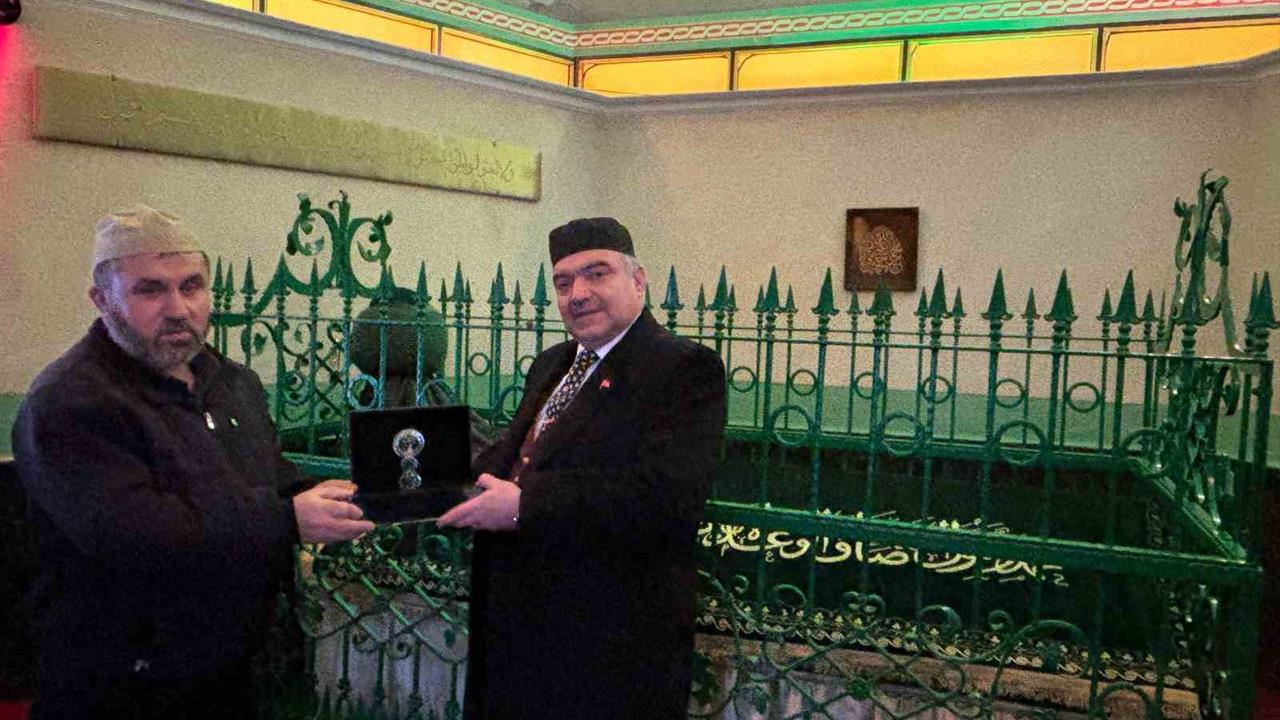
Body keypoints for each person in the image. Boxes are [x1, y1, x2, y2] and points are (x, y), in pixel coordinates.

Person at [11, 206, 375, 720]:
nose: (178, 308)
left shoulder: (231, 383)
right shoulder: (72, 401)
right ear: (102, 300)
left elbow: (265, 478)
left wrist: (342, 495)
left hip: (228, 677)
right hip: (120, 687)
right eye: (150, 290)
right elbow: (139, 534)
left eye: (192, 286)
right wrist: (288, 519)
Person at [439, 217, 727, 719]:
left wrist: (525, 506)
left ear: (638, 280)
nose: (578, 294)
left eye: (597, 274)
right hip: (517, 629)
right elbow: (516, 455)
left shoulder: (681, 368)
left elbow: (667, 497)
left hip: (609, 643)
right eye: (563, 281)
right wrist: (424, 476)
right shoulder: (553, 363)